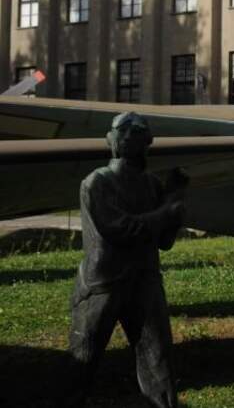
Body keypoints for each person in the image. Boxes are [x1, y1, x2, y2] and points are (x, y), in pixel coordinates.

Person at [64, 112, 187, 408]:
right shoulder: (97, 182)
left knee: (158, 358)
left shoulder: (151, 185)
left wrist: (174, 198)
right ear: (116, 142)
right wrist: (165, 213)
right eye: (128, 136)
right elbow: (120, 230)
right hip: (103, 284)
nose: (134, 143)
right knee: (84, 356)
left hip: (144, 279)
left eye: (140, 137)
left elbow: (164, 242)